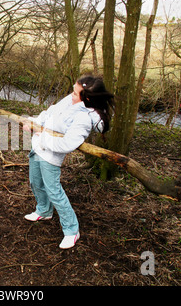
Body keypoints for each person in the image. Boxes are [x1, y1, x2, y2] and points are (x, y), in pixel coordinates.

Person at [23, 75, 114, 249]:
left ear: (86, 99)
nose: (71, 94)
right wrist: (34, 122)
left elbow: (67, 144)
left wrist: (42, 138)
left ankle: (72, 230)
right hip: (38, 146)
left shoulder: (84, 118)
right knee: (35, 182)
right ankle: (43, 211)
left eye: (74, 92)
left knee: (54, 191)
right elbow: (51, 111)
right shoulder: (71, 100)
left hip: (50, 156)